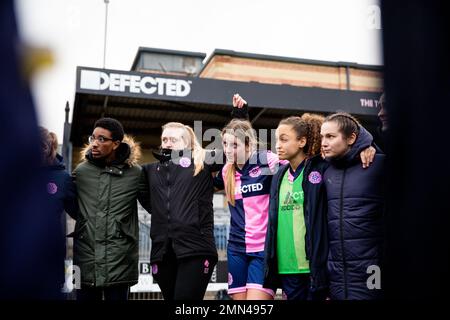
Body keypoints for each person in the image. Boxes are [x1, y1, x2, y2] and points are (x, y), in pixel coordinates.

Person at [137, 95, 248, 301]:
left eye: (173, 139)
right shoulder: (149, 170)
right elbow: (147, 200)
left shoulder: (201, 160)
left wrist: (239, 116)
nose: (167, 143)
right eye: (164, 139)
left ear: (187, 143)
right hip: (162, 253)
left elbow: (230, 149)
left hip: (196, 249)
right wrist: (166, 211)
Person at [263, 115, 376, 300]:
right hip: (286, 267)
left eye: (284, 139)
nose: (278, 145)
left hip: (315, 267)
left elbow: (347, 156)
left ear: (302, 141)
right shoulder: (278, 175)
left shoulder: (322, 169)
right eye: (277, 140)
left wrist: (367, 146)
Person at [72, 117, 142, 301]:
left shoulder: (135, 174)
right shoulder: (81, 172)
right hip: (85, 262)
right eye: (93, 138)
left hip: (119, 263)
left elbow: (155, 205)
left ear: (116, 144)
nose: (94, 144)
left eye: (102, 139)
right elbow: (71, 205)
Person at [321, 112, 385, 300]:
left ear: (351, 138)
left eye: (330, 137)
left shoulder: (378, 163)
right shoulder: (325, 170)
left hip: (373, 273)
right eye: (322, 137)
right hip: (337, 277)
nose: (324, 142)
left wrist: (369, 144)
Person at [39, 127, 78, 295]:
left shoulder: (63, 179)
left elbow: (79, 213)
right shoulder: (19, 173)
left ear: (48, 147)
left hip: (50, 258)